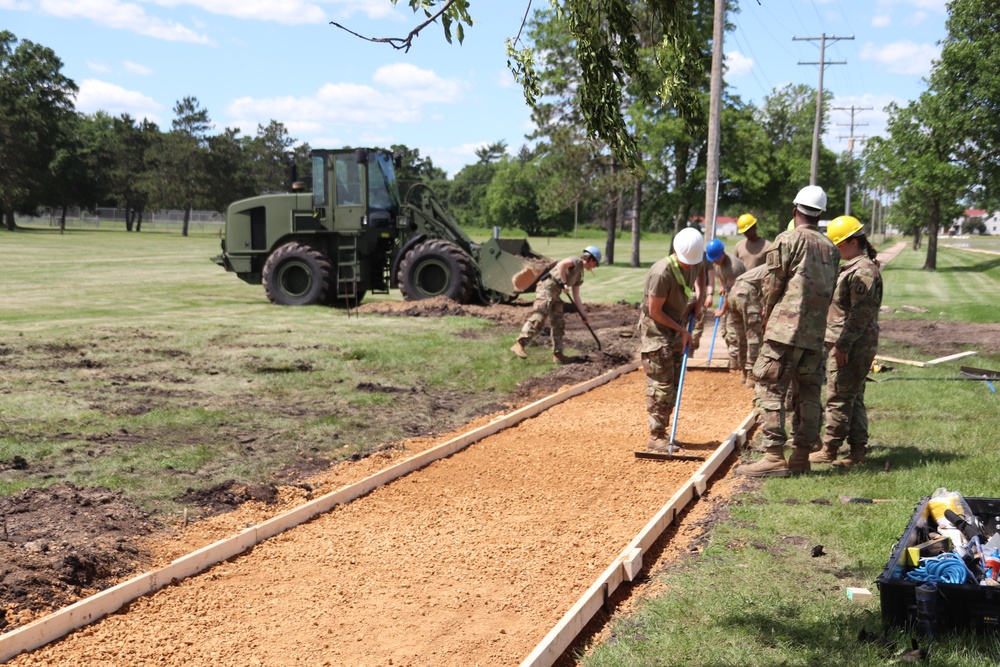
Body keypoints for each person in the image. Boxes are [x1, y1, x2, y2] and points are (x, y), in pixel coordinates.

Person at [735, 185, 840, 477]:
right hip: (814, 333)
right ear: (819, 214)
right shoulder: (831, 248)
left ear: (795, 210)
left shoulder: (787, 239)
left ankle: (773, 456)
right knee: (808, 393)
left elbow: (772, 283)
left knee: (769, 386)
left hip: (784, 330)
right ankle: (802, 457)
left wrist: (768, 314)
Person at [810, 216, 883, 467]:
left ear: (853, 242)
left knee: (838, 397)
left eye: (838, 245)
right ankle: (857, 452)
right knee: (854, 397)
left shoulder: (862, 271)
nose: (836, 250)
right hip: (852, 342)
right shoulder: (856, 267)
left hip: (851, 344)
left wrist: (843, 345)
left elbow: (860, 313)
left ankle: (830, 449)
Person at [638, 228, 705, 451]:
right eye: (686, 262)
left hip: (676, 325)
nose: (690, 266)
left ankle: (664, 432)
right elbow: (655, 311)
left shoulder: (695, 259)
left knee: (674, 382)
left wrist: (700, 298)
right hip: (656, 329)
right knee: (661, 383)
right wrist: (683, 331)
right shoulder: (661, 273)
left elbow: (702, 274)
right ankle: (656, 436)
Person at [511, 246, 601, 363]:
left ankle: (558, 355)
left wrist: (584, 315)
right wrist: (564, 283)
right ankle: (520, 343)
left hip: (555, 292)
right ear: (592, 260)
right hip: (546, 287)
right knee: (540, 315)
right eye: (595, 264)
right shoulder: (576, 260)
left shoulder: (579, 275)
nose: (594, 267)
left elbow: (576, 297)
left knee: (558, 322)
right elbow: (561, 265)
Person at [725, 263, 768, 388]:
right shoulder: (775, 267)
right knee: (753, 335)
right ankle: (751, 374)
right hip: (747, 293)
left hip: (733, 293)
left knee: (741, 336)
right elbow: (770, 289)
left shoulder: (764, 266)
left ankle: (743, 372)